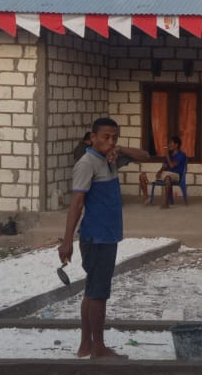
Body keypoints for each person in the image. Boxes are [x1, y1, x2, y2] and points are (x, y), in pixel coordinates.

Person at [59, 117, 151, 358]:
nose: (110, 142)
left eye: (114, 137)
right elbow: (76, 204)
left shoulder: (110, 159)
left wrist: (120, 149)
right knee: (98, 294)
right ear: (92, 138)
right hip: (97, 237)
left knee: (92, 291)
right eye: (105, 137)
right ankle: (98, 347)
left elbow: (145, 156)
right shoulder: (87, 164)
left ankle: (85, 345)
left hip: (107, 235)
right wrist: (67, 241)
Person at [138, 136, 188, 208]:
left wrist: (167, 155)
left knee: (167, 178)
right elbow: (164, 166)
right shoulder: (169, 154)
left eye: (171, 143)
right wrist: (159, 171)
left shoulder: (181, 155)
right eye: (169, 143)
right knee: (142, 176)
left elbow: (172, 166)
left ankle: (166, 203)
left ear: (176, 145)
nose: (169, 145)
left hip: (176, 175)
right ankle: (146, 197)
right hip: (165, 173)